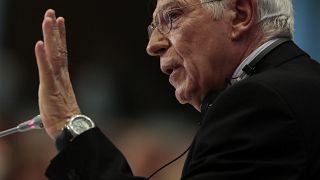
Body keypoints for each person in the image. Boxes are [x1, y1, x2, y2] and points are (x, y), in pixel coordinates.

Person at [34, 0, 320, 179]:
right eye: (153, 27)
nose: (152, 44)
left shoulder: (258, 103)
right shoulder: (301, 83)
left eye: (171, 16)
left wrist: (68, 123)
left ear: (240, 15)